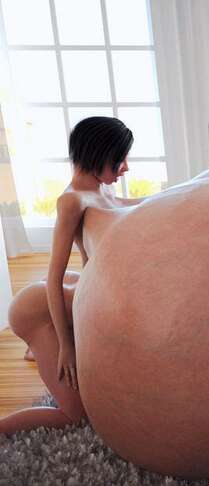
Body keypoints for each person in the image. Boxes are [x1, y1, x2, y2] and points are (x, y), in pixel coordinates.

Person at [1, 117, 147, 435]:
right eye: (119, 159)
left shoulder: (101, 189)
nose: (125, 167)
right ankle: (42, 340)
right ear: (98, 154)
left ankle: (42, 344)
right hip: (36, 307)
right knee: (75, 416)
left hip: (76, 287)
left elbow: (129, 204)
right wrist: (66, 348)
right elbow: (53, 277)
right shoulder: (72, 201)